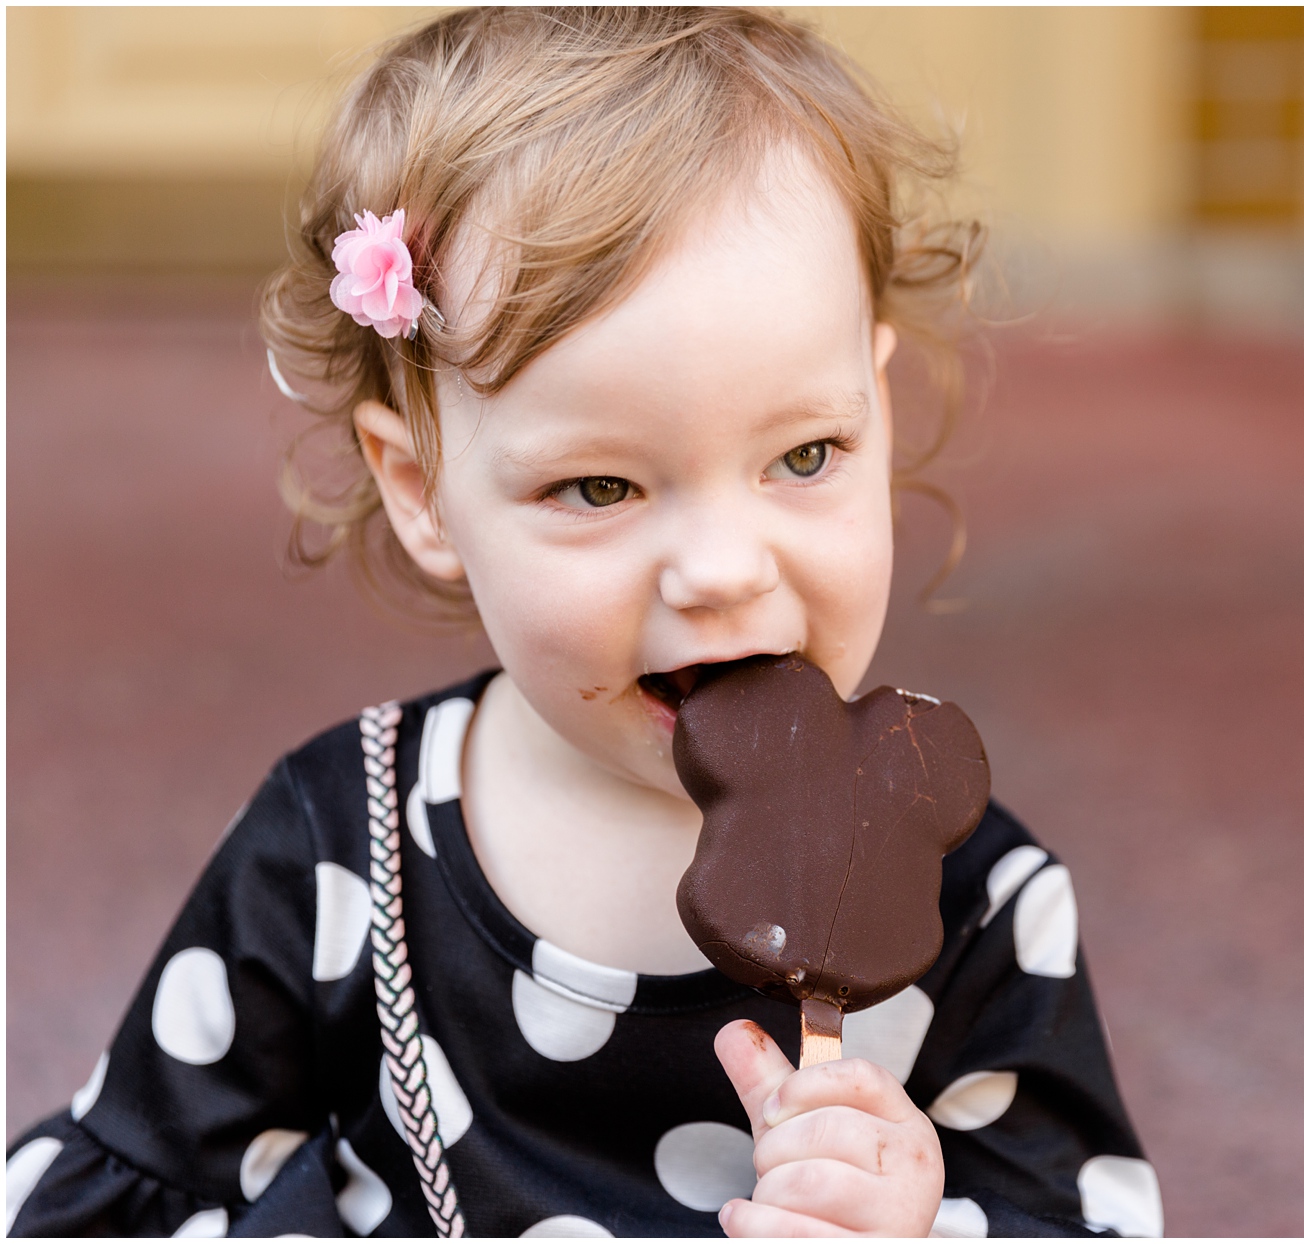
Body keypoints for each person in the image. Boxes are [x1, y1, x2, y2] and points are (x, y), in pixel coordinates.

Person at [5, 9, 1159, 1238]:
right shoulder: (338, 847)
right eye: (600, 486)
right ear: (423, 492)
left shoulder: (973, 899)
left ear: (876, 406)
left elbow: (1076, 1212)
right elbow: (135, 1185)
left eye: (806, 453)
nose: (722, 569)